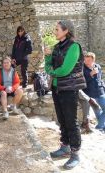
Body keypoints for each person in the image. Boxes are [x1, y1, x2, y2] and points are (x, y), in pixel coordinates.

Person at [44, 20, 86, 169]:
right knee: (62, 119)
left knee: (71, 121)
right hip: (57, 88)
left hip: (69, 89)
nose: (54, 32)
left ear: (65, 30)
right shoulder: (56, 47)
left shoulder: (74, 46)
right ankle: (65, 146)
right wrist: (48, 56)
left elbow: (64, 70)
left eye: (57, 29)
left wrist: (51, 72)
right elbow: (48, 65)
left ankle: (75, 153)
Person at [82, 52, 105, 132]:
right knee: (97, 110)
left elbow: (100, 78)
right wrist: (90, 75)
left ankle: (100, 126)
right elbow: (82, 81)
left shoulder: (97, 66)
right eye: (85, 60)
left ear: (93, 60)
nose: (86, 62)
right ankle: (101, 127)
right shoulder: (82, 68)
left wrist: (103, 86)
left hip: (100, 91)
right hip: (89, 93)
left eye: (89, 60)